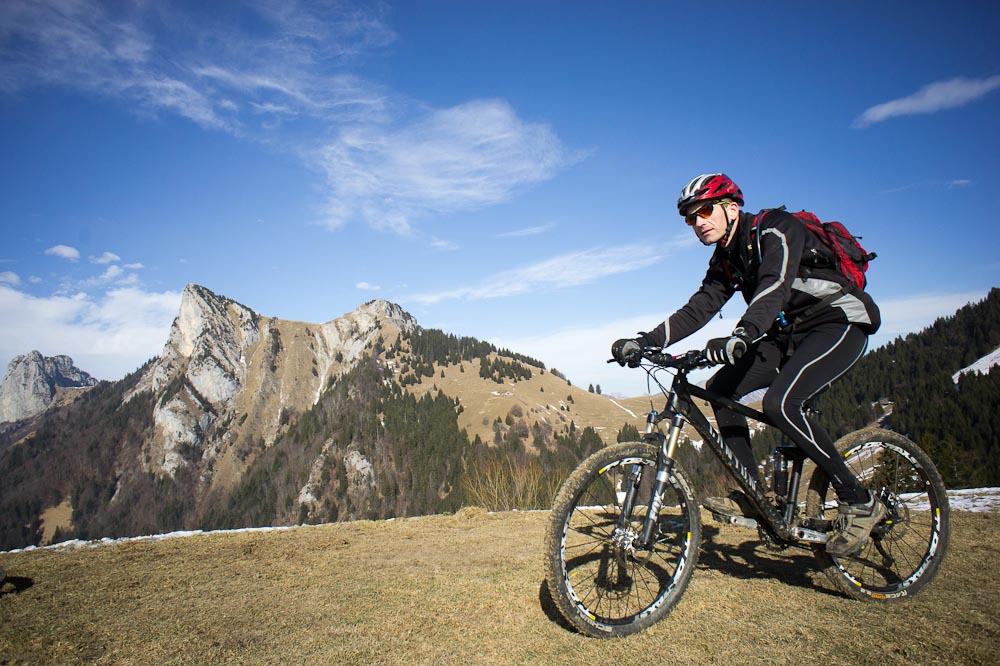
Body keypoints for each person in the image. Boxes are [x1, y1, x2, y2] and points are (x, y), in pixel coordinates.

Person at [611, 173, 884, 558]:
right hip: (784, 334)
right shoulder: (726, 258)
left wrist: (742, 334)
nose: (698, 222)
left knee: (781, 404)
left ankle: (859, 501)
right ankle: (755, 496)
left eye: (704, 211)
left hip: (836, 321)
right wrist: (645, 341)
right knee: (721, 391)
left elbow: (776, 284)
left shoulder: (776, 229)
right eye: (690, 218)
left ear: (732, 206)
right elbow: (699, 307)